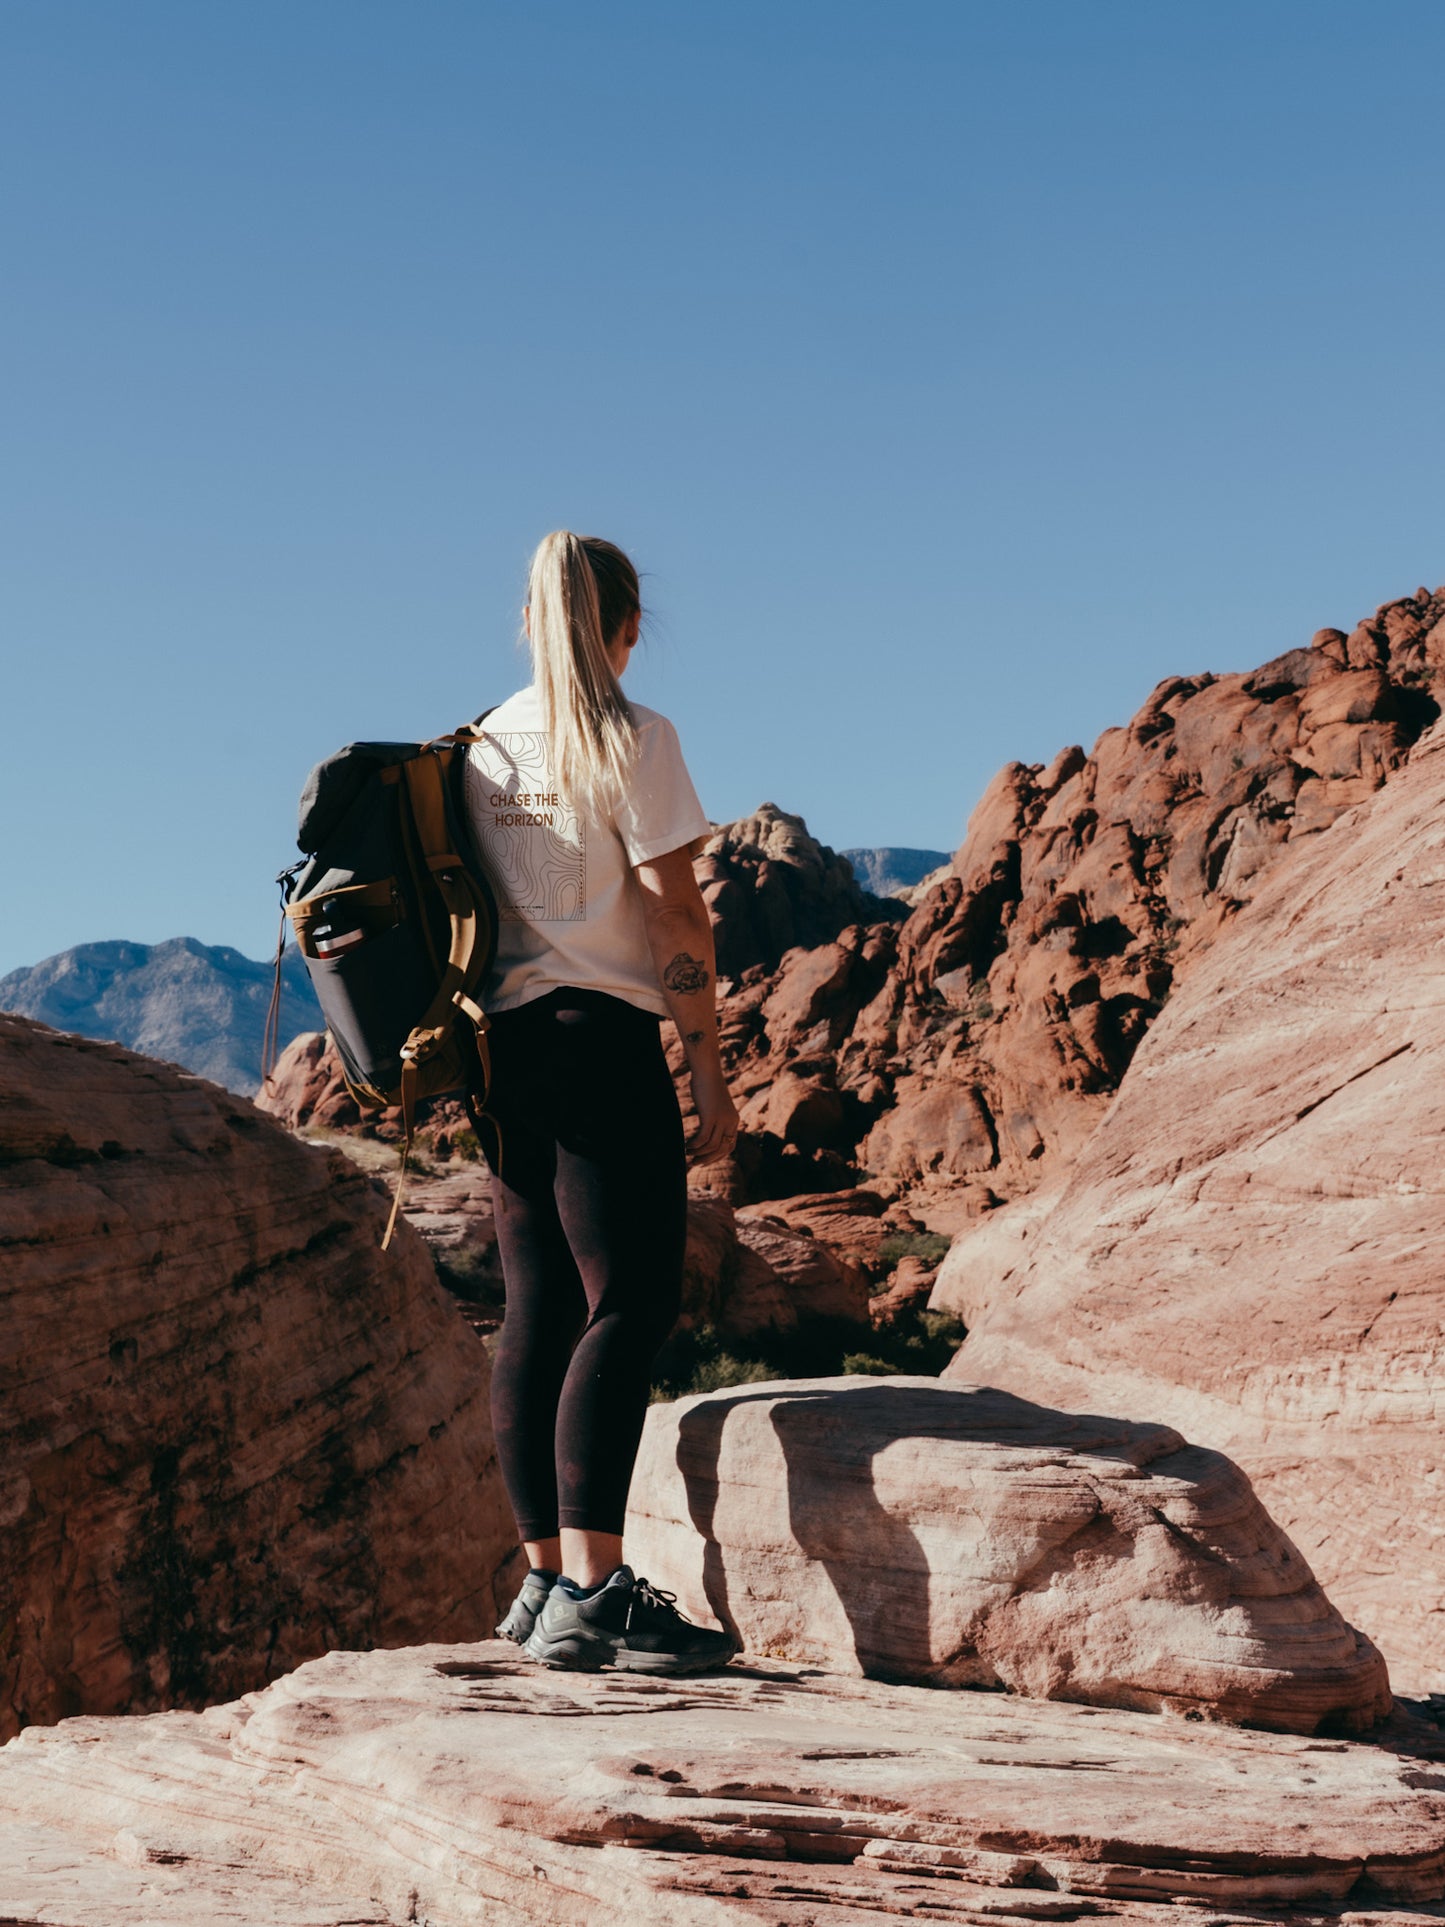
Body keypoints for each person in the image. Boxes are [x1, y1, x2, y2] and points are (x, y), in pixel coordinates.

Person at [464, 529, 741, 1675]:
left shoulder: (477, 745)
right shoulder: (633, 737)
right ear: (626, 629)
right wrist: (708, 1070)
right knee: (629, 1300)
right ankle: (597, 1587)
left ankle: (539, 1583)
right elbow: (676, 918)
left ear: (528, 623)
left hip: (499, 1050)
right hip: (600, 1036)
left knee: (536, 1307)